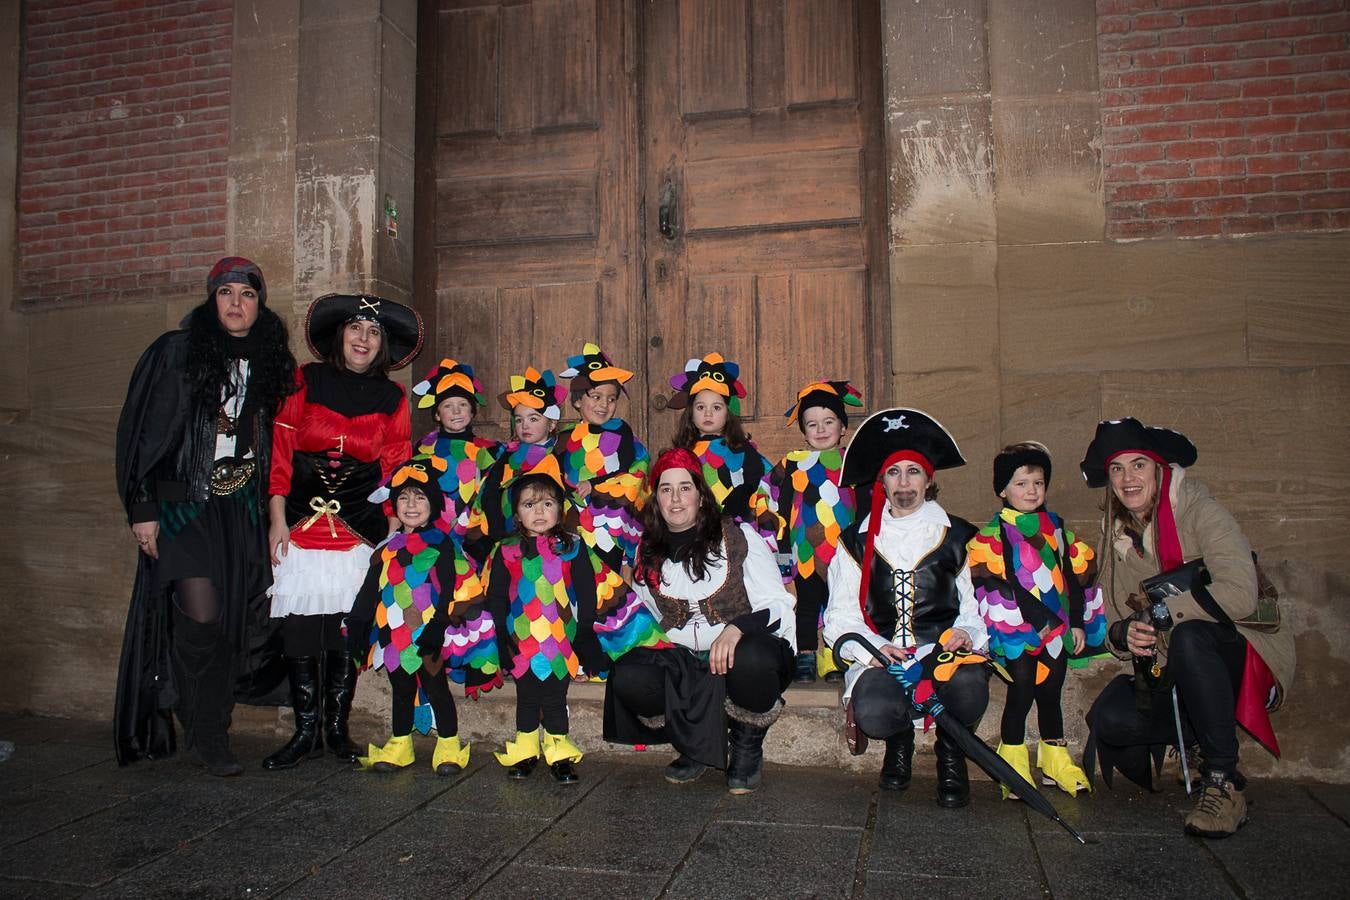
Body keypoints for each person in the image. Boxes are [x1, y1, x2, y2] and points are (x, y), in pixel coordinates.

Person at [114, 257, 297, 775]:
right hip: (182, 504)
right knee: (201, 614)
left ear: (260, 305)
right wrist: (143, 509)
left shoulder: (270, 363)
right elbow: (144, 435)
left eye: (247, 294)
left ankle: (209, 729)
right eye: (226, 293)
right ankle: (193, 712)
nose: (236, 303)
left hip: (238, 509)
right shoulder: (176, 353)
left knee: (232, 624)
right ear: (211, 299)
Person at [1079, 417, 1295, 838]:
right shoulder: (1118, 535)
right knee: (1110, 719)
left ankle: (1222, 781)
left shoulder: (1200, 509)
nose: (1128, 478)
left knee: (1191, 636)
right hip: (1170, 665)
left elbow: (1239, 592)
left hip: (1238, 652)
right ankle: (1197, 739)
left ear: (1159, 468)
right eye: (1118, 469)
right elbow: (1112, 625)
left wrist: (1161, 616)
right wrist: (1125, 634)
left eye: (1138, 464)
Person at [263, 293, 422, 769]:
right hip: (299, 524)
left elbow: (397, 466)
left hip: (358, 530)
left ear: (382, 345)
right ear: (340, 335)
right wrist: (275, 520)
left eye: (374, 332)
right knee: (300, 630)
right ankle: (305, 731)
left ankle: (336, 729)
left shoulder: (392, 398)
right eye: (356, 328)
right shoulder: (304, 381)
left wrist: (393, 531)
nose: (364, 338)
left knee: (343, 629)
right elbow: (281, 451)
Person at [605, 448, 797, 795]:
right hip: (687, 662)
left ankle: (746, 742)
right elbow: (645, 612)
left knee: (752, 657)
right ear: (656, 499)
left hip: (744, 654)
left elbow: (779, 604)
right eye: (666, 489)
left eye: (685, 488)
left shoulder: (738, 538)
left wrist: (736, 629)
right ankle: (694, 738)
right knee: (628, 673)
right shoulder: (646, 551)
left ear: (700, 495)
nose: (676, 499)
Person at [823, 408, 989, 808]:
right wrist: (875, 649)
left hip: (944, 653)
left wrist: (964, 634)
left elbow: (976, 605)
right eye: (894, 472)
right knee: (875, 711)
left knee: (968, 689)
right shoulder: (854, 542)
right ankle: (899, 743)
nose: (904, 483)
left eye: (913, 471)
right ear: (881, 480)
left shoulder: (961, 536)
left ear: (929, 479)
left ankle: (952, 754)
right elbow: (840, 615)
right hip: (885, 656)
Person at [966, 441, 1106, 798]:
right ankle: (1011, 761)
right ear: (1002, 489)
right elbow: (1005, 582)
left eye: (1038, 483)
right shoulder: (996, 535)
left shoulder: (1056, 528)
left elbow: (1071, 579)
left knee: (1051, 690)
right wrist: (1040, 622)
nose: (1031, 491)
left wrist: (1075, 621)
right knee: (1022, 687)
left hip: (1057, 628)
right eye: (1021, 483)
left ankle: (1054, 757)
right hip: (1017, 628)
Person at [344, 455, 497, 773]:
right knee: (401, 689)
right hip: (393, 635)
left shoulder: (441, 544)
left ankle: (449, 744)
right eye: (403, 497)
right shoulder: (387, 549)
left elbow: (446, 590)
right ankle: (401, 743)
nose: (411, 505)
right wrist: (358, 624)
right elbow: (370, 592)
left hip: (429, 634)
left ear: (434, 504)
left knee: (436, 687)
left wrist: (438, 626)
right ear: (394, 505)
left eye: (420, 497)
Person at [485, 456, 606, 783]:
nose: (539, 512)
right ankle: (526, 752)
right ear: (517, 513)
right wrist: (500, 635)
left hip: (559, 639)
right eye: (529, 504)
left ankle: (559, 753)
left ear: (560, 510)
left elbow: (586, 590)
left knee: (554, 696)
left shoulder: (572, 547)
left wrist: (584, 633)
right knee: (526, 697)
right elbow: (496, 595)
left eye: (547, 503)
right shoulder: (506, 550)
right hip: (520, 639)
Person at [555, 343, 664, 659]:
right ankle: (576, 648)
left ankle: (611, 650)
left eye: (611, 399)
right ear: (578, 400)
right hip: (573, 526)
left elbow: (633, 471)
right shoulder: (564, 439)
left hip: (609, 530)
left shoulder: (622, 434)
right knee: (576, 588)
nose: (604, 405)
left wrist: (598, 486)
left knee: (610, 586)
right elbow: (553, 476)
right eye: (595, 397)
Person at [768, 379, 863, 683]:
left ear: (843, 427)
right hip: (804, 550)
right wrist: (782, 547)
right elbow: (777, 504)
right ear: (804, 431)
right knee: (807, 603)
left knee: (840, 603)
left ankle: (835, 655)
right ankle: (806, 654)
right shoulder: (792, 464)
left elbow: (865, 506)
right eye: (812, 424)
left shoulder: (853, 462)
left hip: (843, 551)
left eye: (829, 422)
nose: (821, 430)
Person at [667, 352, 781, 551]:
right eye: (701, 407)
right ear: (691, 413)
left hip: (735, 534)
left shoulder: (743, 451)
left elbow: (766, 481)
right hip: (693, 534)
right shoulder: (682, 455)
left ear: (728, 413)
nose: (708, 413)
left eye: (716, 407)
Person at [461, 366, 566, 561]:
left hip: (549, 540)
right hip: (505, 537)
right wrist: (500, 534)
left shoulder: (562, 454)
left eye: (533, 418)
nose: (525, 425)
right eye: (519, 420)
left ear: (551, 424)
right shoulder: (505, 456)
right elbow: (490, 495)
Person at [408, 358, 502, 539]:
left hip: (475, 535)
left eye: (463, 405)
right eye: (448, 406)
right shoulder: (423, 449)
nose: (456, 412)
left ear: (472, 411)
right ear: (437, 414)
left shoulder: (490, 451)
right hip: (433, 531)